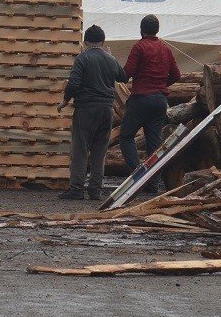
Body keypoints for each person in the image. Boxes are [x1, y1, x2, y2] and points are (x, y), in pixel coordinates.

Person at [58, 25, 127, 201]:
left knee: (80, 149)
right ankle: (95, 190)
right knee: (99, 151)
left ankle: (76, 189)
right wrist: (111, 57)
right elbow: (123, 77)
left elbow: (73, 83)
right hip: (106, 110)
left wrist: (66, 100)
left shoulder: (82, 58)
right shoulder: (110, 58)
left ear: (85, 41)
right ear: (103, 41)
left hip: (86, 109)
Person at [117, 14, 181, 189]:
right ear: (157, 30)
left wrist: (115, 70)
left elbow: (126, 73)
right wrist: (161, 85)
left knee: (126, 136)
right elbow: (177, 74)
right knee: (154, 142)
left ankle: (139, 174)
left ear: (141, 29)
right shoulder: (166, 48)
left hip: (141, 98)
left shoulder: (139, 47)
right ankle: (153, 181)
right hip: (160, 100)